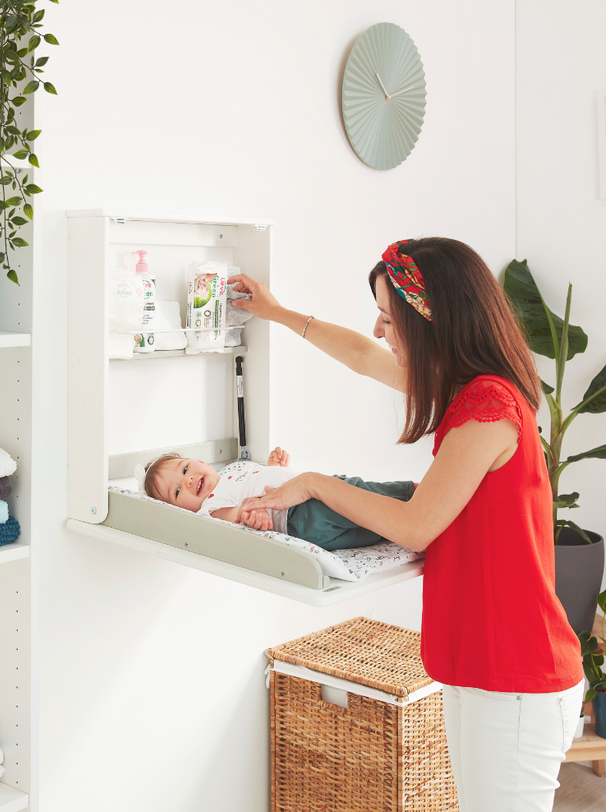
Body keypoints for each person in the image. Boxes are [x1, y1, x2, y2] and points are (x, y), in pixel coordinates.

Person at [228, 237, 584, 812]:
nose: (378, 330)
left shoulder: (487, 407)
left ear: (432, 321)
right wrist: (275, 312)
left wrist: (316, 482)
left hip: (519, 674)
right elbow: (363, 357)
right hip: (481, 667)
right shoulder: (463, 389)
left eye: (389, 317)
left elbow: (417, 526)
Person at [138, 446, 414, 551]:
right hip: (302, 514)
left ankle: (410, 524)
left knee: (367, 529)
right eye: (177, 492)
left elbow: (258, 481)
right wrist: (247, 515)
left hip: (307, 509)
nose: (187, 480)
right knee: (357, 494)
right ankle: (412, 497)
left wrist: (275, 469)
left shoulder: (234, 469)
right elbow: (231, 515)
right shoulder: (209, 508)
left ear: (200, 461)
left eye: (185, 469)